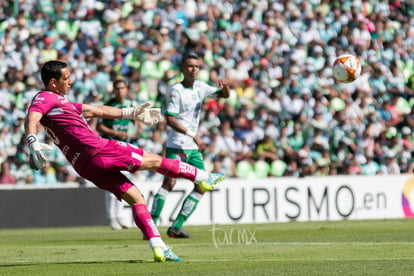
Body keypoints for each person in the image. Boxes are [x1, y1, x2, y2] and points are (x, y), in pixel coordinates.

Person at [24, 60, 225, 262]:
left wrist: (132, 112)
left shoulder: (61, 103)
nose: (70, 81)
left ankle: (158, 246)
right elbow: (32, 117)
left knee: (136, 198)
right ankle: (203, 177)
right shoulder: (45, 97)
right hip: (99, 150)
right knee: (154, 160)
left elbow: (96, 110)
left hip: (84, 166)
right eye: (66, 78)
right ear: (52, 82)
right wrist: (32, 141)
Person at [150, 51, 229, 238]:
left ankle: (176, 227)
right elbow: (170, 119)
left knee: (202, 185)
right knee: (169, 182)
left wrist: (225, 87)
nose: (194, 70)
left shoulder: (201, 87)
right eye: (190, 67)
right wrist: (193, 135)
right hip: (177, 145)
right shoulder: (176, 91)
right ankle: (151, 227)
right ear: (182, 70)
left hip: (193, 148)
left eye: (197, 67)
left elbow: (223, 96)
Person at [96, 79, 137, 230]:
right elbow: (100, 126)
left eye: (122, 88)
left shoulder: (130, 105)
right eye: (117, 88)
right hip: (110, 148)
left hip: (126, 148)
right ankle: (111, 217)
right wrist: (116, 132)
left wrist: (136, 129)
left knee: (123, 182)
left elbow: (136, 123)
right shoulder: (108, 106)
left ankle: (119, 216)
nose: (120, 91)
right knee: (111, 184)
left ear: (127, 90)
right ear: (113, 91)